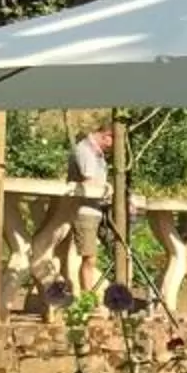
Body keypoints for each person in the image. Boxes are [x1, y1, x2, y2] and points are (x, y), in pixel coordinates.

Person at [69, 124, 114, 293]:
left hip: (97, 210)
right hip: (84, 210)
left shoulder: (97, 153)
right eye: (111, 141)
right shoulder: (85, 150)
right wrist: (107, 188)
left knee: (115, 251)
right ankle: (88, 299)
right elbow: (88, 181)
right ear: (106, 135)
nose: (111, 147)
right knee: (89, 258)